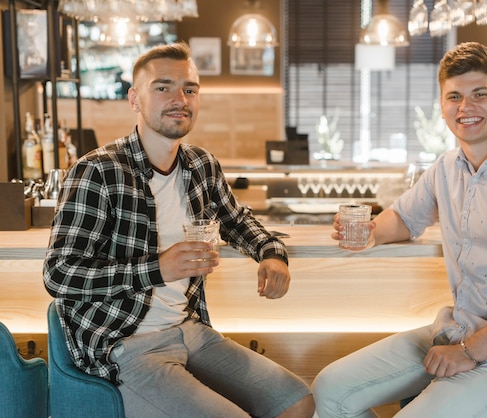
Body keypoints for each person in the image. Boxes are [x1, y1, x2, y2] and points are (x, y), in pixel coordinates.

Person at [312, 42, 487, 418]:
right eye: (455, 97)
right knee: (330, 389)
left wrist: (469, 353)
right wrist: (371, 232)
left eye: (480, 94)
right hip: (458, 330)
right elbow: (404, 217)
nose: (466, 107)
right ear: (443, 106)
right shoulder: (447, 167)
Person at [43, 42, 314, 418]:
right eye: (163, 87)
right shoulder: (98, 171)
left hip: (191, 330)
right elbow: (59, 274)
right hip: (125, 342)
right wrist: (158, 268)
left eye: (189, 89)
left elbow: (236, 220)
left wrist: (270, 253)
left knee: (297, 400)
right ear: (134, 99)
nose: (179, 99)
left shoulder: (201, 165)